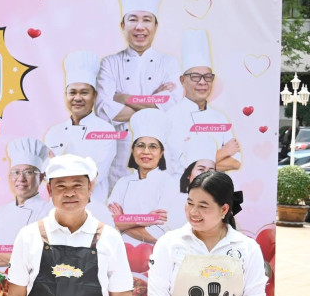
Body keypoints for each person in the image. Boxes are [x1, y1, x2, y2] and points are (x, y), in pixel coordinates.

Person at [5, 154, 138, 296]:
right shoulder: (29, 236)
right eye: (61, 186)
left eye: (77, 185)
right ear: (49, 190)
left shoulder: (109, 238)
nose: (69, 193)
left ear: (90, 188)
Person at [146, 171, 267, 296]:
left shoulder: (247, 249)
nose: (193, 212)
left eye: (203, 206)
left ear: (224, 209)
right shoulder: (170, 244)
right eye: (190, 203)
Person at [95, 0, 181, 185]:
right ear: (122, 25)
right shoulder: (110, 63)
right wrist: (153, 103)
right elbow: (103, 109)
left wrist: (123, 97)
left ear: (156, 25)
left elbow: (171, 104)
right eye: (133, 19)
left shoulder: (169, 63)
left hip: (161, 161)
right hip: (120, 160)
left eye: (147, 20)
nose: (140, 27)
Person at [165, 29, 241, 174]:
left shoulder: (220, 117)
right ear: (182, 80)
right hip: (183, 187)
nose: (202, 82)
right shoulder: (172, 117)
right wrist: (225, 151)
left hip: (216, 187)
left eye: (207, 77)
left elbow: (236, 162)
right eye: (195, 76)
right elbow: (184, 165)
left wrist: (199, 163)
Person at [45, 51, 117, 203]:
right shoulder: (54, 132)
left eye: (84, 93)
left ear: (95, 95)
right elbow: (47, 175)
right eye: (72, 92)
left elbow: (94, 175)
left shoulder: (106, 131)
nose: (77, 98)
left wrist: (58, 165)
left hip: (93, 208)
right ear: (65, 95)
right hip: (57, 209)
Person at [107, 108, 181, 245]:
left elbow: (159, 235)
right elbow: (108, 223)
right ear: (133, 150)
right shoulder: (122, 183)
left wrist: (122, 220)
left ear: (161, 152)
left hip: (154, 253)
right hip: (120, 251)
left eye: (153, 147)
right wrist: (144, 219)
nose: (146, 152)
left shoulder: (170, 184)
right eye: (140, 145)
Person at [0, 137, 50, 267]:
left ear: (41, 177)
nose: (21, 178)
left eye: (28, 172)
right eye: (15, 172)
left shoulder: (49, 212)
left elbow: (39, 259)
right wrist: (20, 258)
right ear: (9, 176)